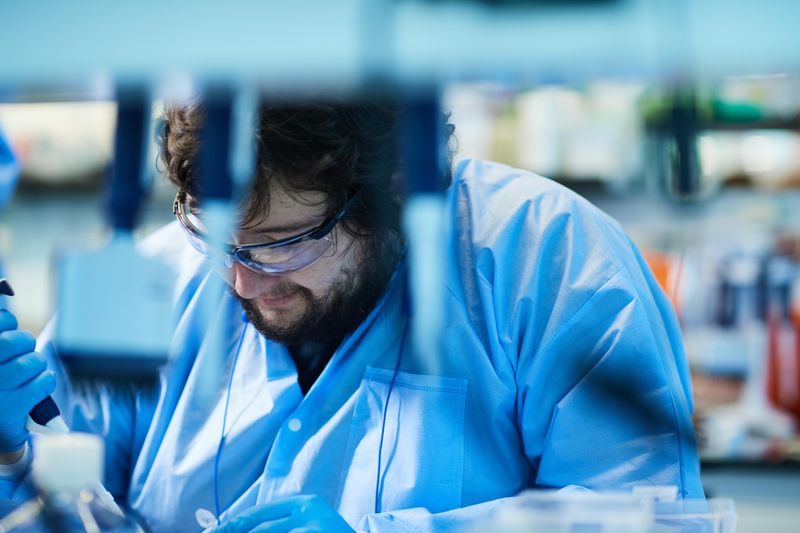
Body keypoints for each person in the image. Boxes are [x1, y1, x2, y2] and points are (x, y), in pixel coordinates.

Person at [0, 98, 703, 532]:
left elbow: (654, 517)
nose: (241, 279)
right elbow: (63, 505)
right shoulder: (159, 281)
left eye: (282, 243)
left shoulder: (547, 259)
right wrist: (11, 458)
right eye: (218, 241)